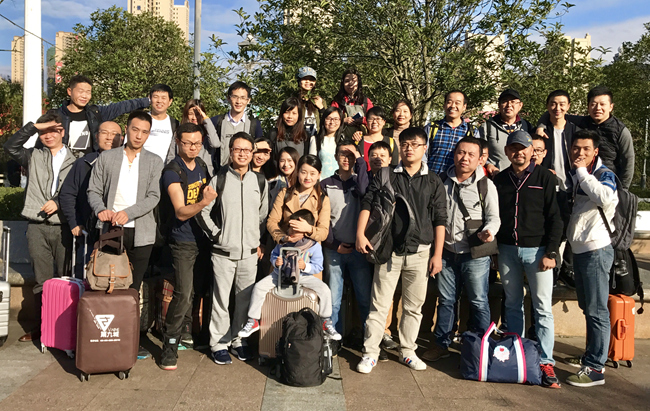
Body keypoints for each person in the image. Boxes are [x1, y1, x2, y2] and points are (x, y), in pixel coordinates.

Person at [355, 127, 446, 374]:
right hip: (389, 250)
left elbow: (440, 218)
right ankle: (370, 352)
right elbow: (368, 202)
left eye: (415, 144)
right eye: (405, 144)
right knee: (379, 306)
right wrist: (360, 233)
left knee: (413, 307)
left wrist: (437, 255)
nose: (409, 148)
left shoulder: (433, 180)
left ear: (424, 148)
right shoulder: (386, 174)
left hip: (420, 252)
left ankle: (408, 351)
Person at [87, 110, 164, 359]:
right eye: (135, 129)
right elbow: (93, 190)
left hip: (141, 232)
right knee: (109, 283)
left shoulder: (154, 161)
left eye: (144, 132)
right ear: (127, 129)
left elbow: (154, 196)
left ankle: (131, 339)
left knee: (133, 288)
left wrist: (128, 213)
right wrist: (101, 210)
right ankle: (106, 336)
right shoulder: (107, 157)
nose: (139, 135)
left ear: (149, 134)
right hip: (111, 231)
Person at [492, 130, 563, 388]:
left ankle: (545, 361)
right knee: (512, 303)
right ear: (507, 151)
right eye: (513, 148)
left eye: (523, 148)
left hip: (538, 251)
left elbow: (556, 217)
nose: (518, 152)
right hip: (507, 249)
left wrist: (551, 252)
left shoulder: (545, 177)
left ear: (532, 151)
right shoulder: (500, 179)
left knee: (542, 307)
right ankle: (517, 352)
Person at [421, 136, 500, 362]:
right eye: (461, 152)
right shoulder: (440, 181)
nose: (465, 158)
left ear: (480, 159)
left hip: (475, 253)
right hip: (446, 251)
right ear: (454, 154)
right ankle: (441, 344)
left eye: (471, 154)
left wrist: (489, 231)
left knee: (478, 300)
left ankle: (483, 346)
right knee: (446, 300)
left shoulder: (486, 185)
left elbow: (494, 217)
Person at [195, 132, 268, 365]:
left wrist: (256, 240)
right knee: (221, 301)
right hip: (223, 253)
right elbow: (202, 211)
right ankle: (219, 343)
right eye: (238, 149)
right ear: (231, 151)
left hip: (249, 254)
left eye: (247, 150)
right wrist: (218, 235)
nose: (242, 154)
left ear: (252, 153)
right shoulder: (219, 179)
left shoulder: (260, 181)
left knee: (244, 300)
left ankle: (238, 340)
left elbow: (262, 215)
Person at [4, 111, 77, 343]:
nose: (48, 135)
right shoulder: (33, 155)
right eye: (44, 132)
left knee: (66, 279)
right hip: (37, 225)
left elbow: (78, 191)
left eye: (53, 130)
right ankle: (42, 328)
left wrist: (58, 202)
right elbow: (10, 147)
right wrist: (34, 127)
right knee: (41, 281)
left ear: (62, 131)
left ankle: (65, 328)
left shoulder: (76, 160)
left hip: (63, 226)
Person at [158, 123, 218, 371]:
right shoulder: (172, 172)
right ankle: (169, 345)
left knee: (196, 291)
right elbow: (181, 212)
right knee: (182, 293)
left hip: (202, 238)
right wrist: (204, 202)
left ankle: (188, 333)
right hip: (182, 240)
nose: (193, 147)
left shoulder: (201, 165)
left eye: (197, 143)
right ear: (177, 142)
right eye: (187, 143)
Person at [564, 130, 617, 387]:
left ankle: (596, 368)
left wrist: (583, 173)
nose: (580, 153)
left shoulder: (604, 174)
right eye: (576, 148)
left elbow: (605, 197)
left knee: (597, 310)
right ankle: (590, 355)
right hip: (581, 250)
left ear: (595, 151)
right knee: (588, 307)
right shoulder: (576, 174)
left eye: (586, 149)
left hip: (596, 250)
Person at [238, 209, 341, 341]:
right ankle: (253, 320)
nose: (290, 232)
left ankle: (325, 321)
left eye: (295, 229)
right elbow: (274, 255)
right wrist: (276, 262)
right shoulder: (284, 242)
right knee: (259, 287)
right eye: (289, 228)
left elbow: (318, 266)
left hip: (304, 276)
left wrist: (305, 266)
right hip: (280, 275)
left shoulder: (313, 246)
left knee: (324, 289)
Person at [59, 121, 124, 277]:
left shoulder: (129, 163)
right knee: (86, 276)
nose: (109, 137)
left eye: (114, 134)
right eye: (104, 133)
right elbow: (68, 193)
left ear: (122, 138)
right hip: (89, 232)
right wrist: (75, 222)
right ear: (96, 136)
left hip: (121, 231)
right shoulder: (83, 163)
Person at [320, 141, 371, 337]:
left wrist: (360, 159)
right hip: (334, 249)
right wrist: (333, 244)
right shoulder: (325, 184)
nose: (347, 158)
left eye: (351, 155)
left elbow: (364, 191)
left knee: (364, 298)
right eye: (343, 154)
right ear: (335, 157)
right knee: (333, 299)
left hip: (358, 249)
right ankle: (333, 338)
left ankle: (369, 338)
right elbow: (323, 219)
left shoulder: (360, 181)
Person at [537, 86, 634, 189]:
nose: (598, 108)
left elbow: (628, 161)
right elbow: (555, 113)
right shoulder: (581, 122)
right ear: (588, 106)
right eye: (593, 104)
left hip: (607, 182)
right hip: (582, 181)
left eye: (602, 104)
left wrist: (623, 189)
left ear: (611, 107)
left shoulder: (620, 130)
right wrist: (540, 127)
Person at [52, 75, 149, 156]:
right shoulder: (55, 115)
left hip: (89, 165)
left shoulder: (95, 113)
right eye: (80, 91)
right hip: (63, 165)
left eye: (88, 92)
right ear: (69, 91)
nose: (84, 96)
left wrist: (147, 101)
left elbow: (122, 106)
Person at [267, 155, 331, 246]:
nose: (307, 177)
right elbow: (272, 221)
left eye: (312, 174)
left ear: (319, 175)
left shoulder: (323, 199)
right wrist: (283, 237)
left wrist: (308, 229)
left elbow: (323, 232)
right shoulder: (284, 193)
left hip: (310, 250)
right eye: (303, 172)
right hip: (286, 247)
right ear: (297, 172)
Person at [478, 89, 532, 178]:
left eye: (513, 102)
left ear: (520, 105)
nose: (509, 105)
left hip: (522, 177)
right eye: (504, 101)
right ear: (499, 105)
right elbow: (478, 152)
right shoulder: (487, 127)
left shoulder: (526, 126)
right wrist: (488, 165)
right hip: (496, 177)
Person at [210, 81, 264, 167]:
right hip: (220, 172)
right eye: (235, 97)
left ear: (248, 100)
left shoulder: (254, 124)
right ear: (228, 98)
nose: (238, 101)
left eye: (243, 98)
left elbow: (260, 149)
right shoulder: (216, 121)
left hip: (245, 172)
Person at [165, 99, 220, 174]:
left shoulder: (208, 133)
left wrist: (206, 119)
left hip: (205, 175)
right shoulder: (179, 132)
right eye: (191, 114)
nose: (194, 117)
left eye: (198, 114)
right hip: (184, 174)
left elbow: (215, 144)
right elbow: (171, 156)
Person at [427, 90, 474, 174]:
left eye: (457, 103)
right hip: (430, 178)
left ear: (464, 107)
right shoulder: (432, 127)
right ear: (444, 105)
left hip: (454, 179)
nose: (453, 106)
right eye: (449, 102)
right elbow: (422, 155)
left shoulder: (471, 132)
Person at [331, 68, 374, 137]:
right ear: (343, 83)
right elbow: (330, 120)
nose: (350, 83)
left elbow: (374, 120)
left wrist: (362, 120)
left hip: (363, 138)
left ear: (358, 83)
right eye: (347, 81)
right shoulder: (337, 101)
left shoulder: (366, 101)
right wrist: (343, 120)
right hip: (342, 140)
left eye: (353, 81)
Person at [142, 84, 178, 162]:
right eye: (156, 97)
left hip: (165, 167)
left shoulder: (175, 124)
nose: (159, 101)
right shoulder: (140, 120)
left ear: (170, 101)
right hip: (142, 166)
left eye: (163, 98)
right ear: (150, 98)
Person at [316, 107, 346, 178]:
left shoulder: (344, 140)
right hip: (321, 181)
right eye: (329, 118)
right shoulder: (315, 139)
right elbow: (311, 164)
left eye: (336, 119)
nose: (332, 122)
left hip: (340, 182)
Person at [295, 66, 324, 138]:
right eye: (304, 79)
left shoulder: (320, 100)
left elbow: (327, 120)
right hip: (298, 138)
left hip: (316, 139)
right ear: (299, 81)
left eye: (311, 80)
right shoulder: (294, 100)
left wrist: (322, 108)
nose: (308, 81)